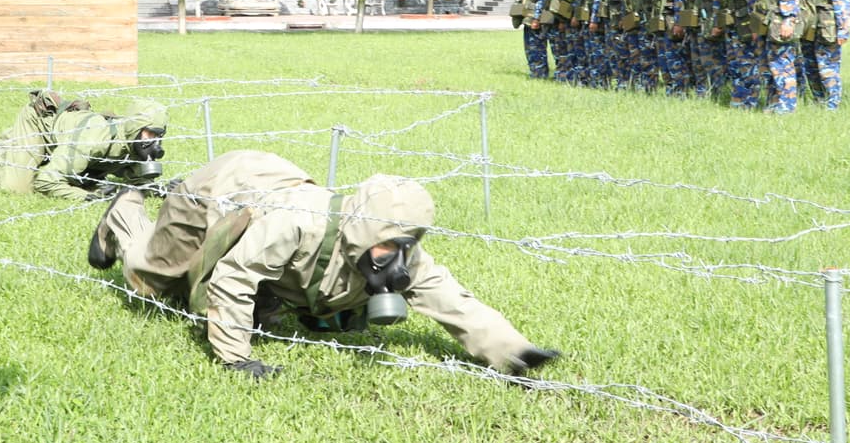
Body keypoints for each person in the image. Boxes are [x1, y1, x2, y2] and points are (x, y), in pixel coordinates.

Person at [88, 150, 561, 379]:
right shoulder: (297, 224)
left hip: (268, 190)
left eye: (406, 245)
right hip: (220, 191)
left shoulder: (393, 246)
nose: (395, 260)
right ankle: (125, 212)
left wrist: (515, 353)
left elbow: (452, 301)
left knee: (270, 298)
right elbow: (234, 276)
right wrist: (236, 358)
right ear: (361, 230)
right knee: (153, 279)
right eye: (386, 246)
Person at [0, 95, 168, 199]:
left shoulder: (131, 144)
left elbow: (135, 183)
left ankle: (11, 147)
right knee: (17, 187)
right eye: (151, 133)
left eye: (159, 136)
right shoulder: (96, 139)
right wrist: (86, 197)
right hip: (38, 125)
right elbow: (46, 181)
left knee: (74, 176)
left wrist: (162, 190)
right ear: (135, 127)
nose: (155, 144)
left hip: (64, 138)